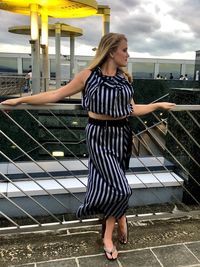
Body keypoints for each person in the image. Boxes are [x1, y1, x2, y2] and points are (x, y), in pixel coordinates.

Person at [1, 33, 176, 260]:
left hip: (121, 136)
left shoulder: (125, 79)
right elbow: (56, 94)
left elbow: (131, 110)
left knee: (114, 185)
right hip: (98, 136)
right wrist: (20, 99)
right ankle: (115, 225)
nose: (128, 54)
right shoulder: (88, 76)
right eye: (124, 49)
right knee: (122, 188)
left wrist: (156, 106)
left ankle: (112, 226)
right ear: (111, 51)